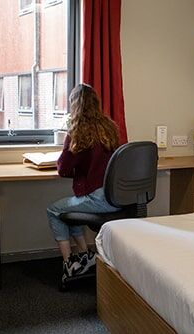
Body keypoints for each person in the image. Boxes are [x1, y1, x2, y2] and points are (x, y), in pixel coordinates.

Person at [47, 83, 120, 290]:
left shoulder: (78, 132)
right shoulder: (110, 127)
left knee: (54, 210)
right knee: (73, 205)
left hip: (97, 199)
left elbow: (62, 168)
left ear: (74, 105)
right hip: (115, 197)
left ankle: (70, 263)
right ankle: (85, 255)